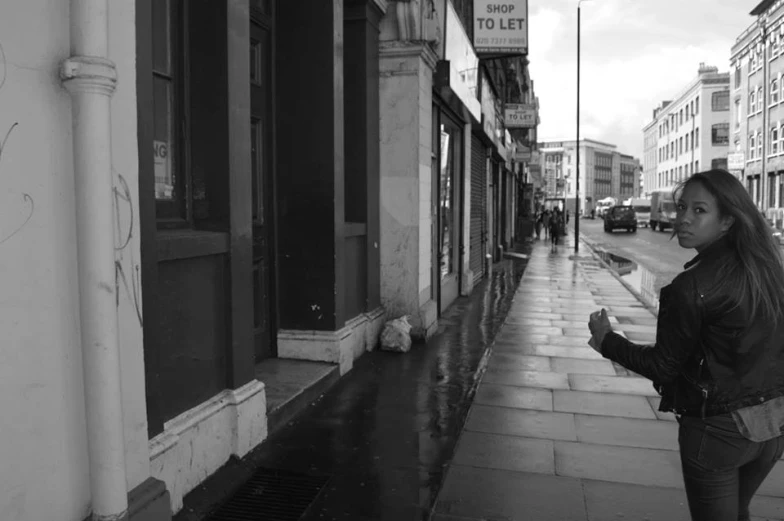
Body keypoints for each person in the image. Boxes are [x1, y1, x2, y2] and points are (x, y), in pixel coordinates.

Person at [587, 169, 784, 521]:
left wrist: (607, 341)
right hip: (770, 427)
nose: (683, 219)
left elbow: (664, 366)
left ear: (727, 221)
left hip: (717, 432)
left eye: (699, 210)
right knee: (739, 512)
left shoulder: (690, 287)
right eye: (682, 208)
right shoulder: (770, 270)